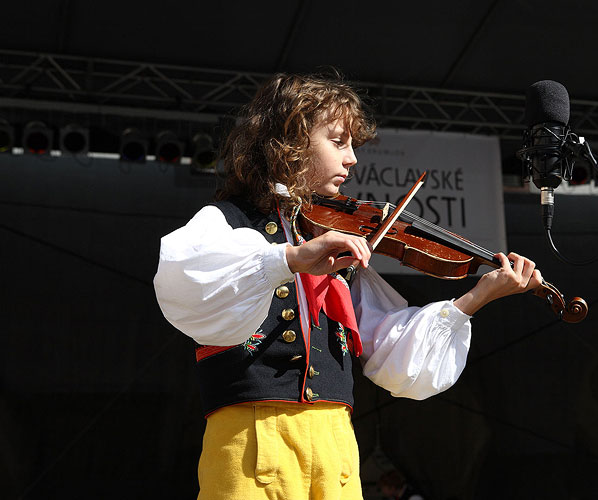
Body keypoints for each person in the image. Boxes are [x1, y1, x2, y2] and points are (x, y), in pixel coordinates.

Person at [153, 72, 543, 500]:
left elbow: (393, 355)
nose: (353, 158)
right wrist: (289, 258)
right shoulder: (230, 222)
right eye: (338, 141)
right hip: (254, 437)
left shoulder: (336, 246)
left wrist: (478, 295)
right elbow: (183, 279)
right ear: (291, 141)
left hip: (335, 445)